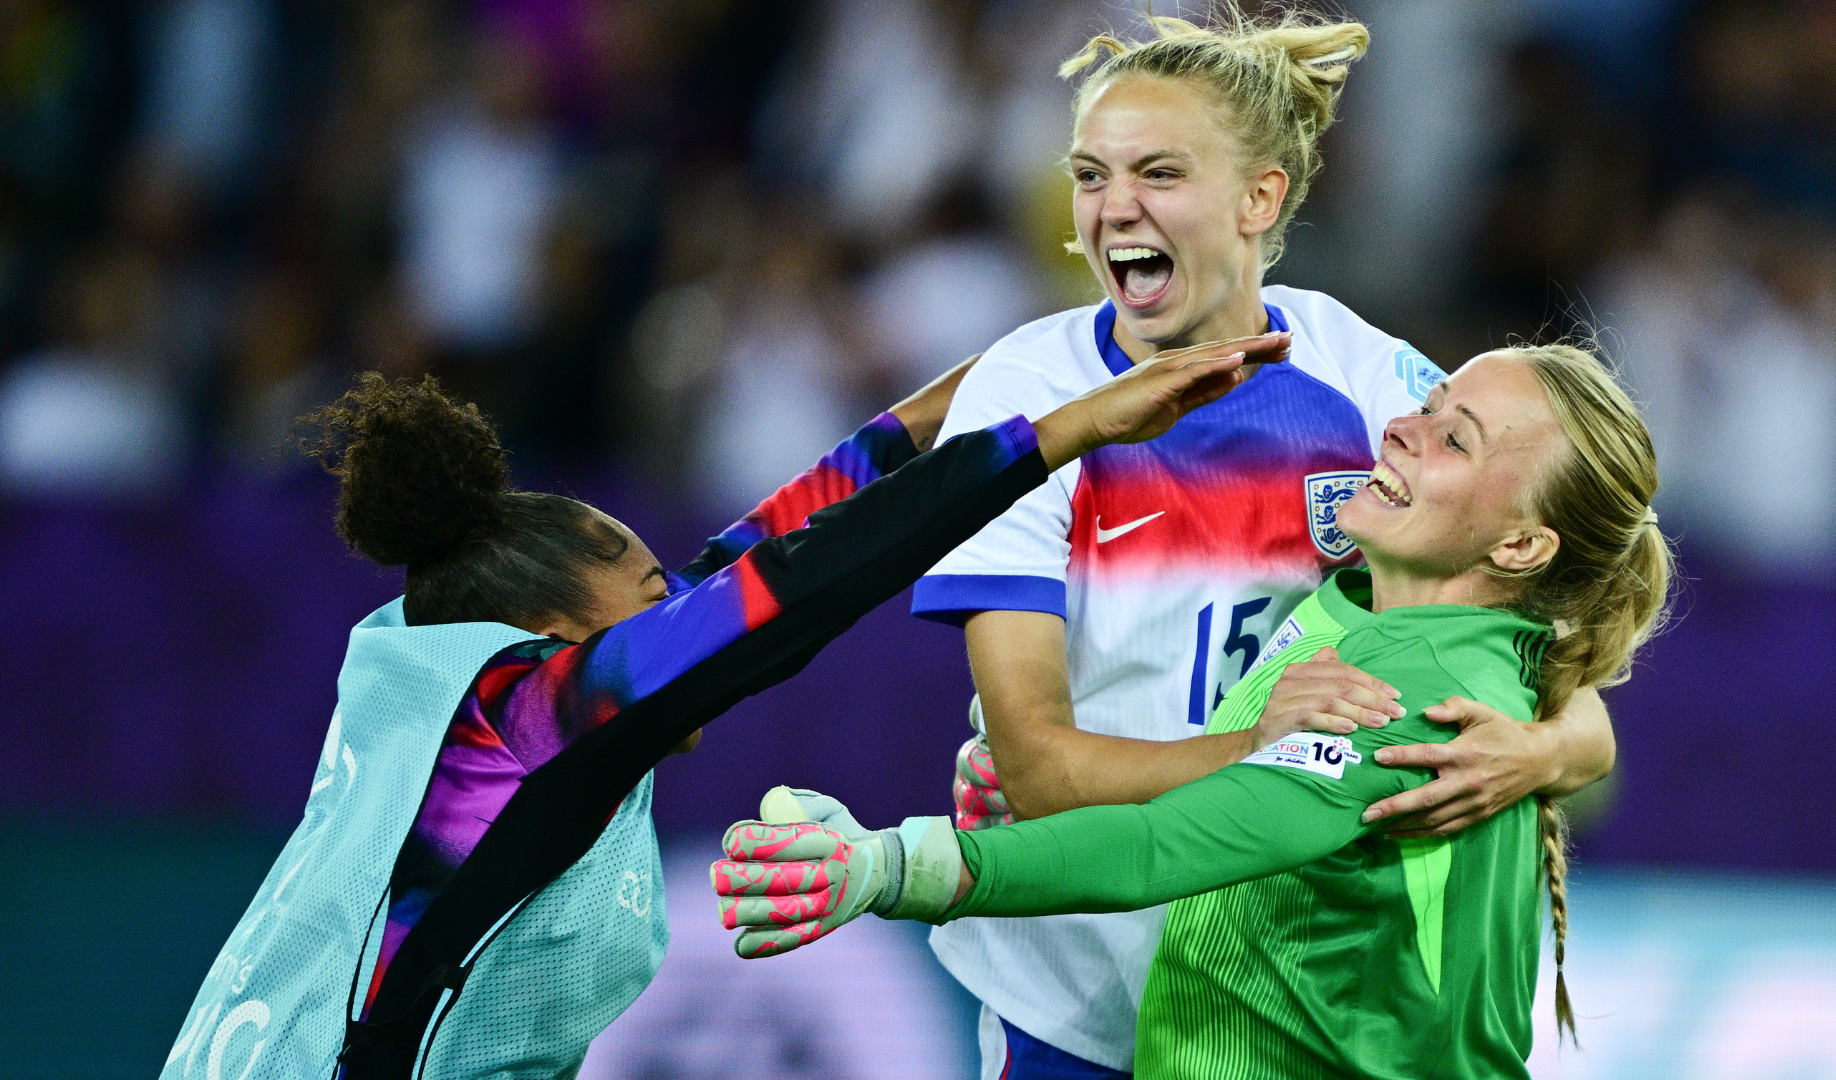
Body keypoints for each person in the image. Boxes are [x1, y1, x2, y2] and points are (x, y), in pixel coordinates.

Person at [160, 338, 1277, 1080]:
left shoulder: (450, 701)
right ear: (562, 635)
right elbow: (780, 594)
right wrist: (1059, 431)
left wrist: (947, 405)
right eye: (653, 598)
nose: (679, 604)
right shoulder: (522, 719)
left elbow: (759, 549)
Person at [906, 12, 1619, 1076]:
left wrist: (1537, 750)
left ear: (1260, 199)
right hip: (1076, 1002)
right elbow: (1041, 772)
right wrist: (1271, 753)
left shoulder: (1371, 382)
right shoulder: (1031, 397)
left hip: (1283, 1001)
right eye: (1092, 176)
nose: (1115, 209)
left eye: (1159, 173)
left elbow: (1564, 683)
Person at [713, 343, 1672, 1079]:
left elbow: (1160, 847)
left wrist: (890, 867)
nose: (1400, 427)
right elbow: (1248, 771)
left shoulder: (1404, 698)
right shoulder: (1355, 604)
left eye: (1453, 437)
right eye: (1426, 407)